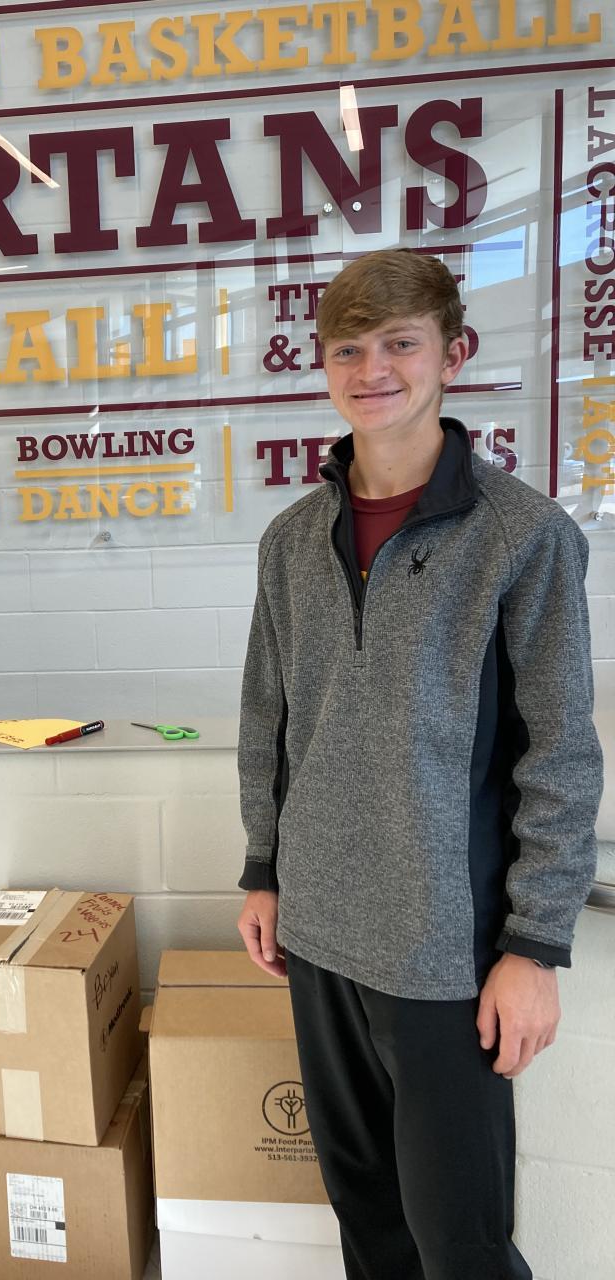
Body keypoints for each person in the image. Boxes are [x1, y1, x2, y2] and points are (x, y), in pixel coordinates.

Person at [235, 249, 603, 1280]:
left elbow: (561, 751)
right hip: (317, 932)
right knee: (367, 1216)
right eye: (348, 350)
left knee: (460, 1241)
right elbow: (269, 715)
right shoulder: (291, 540)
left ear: (453, 353)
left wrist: (535, 944)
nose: (373, 370)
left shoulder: (523, 536)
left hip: (446, 948)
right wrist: (264, 869)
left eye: (400, 343)